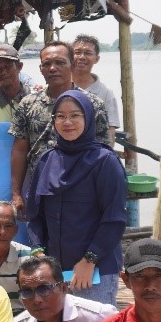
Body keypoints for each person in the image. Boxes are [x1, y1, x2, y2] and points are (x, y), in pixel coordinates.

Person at [27, 89, 127, 306]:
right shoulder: (47, 161)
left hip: (95, 271)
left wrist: (89, 260)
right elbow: (35, 216)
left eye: (75, 115)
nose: (67, 122)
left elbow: (115, 219)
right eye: (60, 116)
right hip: (55, 274)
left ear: (88, 118)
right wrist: (38, 251)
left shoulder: (105, 161)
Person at [9, 41, 109, 219]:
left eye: (60, 62)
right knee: (40, 242)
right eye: (47, 64)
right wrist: (16, 194)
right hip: (39, 190)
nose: (53, 68)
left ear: (73, 65)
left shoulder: (93, 105)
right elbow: (20, 149)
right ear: (40, 68)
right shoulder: (28, 104)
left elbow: (103, 151)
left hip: (82, 192)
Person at [71, 34, 121, 135]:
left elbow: (110, 130)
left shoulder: (106, 92)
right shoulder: (59, 86)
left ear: (96, 59)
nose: (82, 57)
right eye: (77, 52)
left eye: (88, 53)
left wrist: (106, 150)